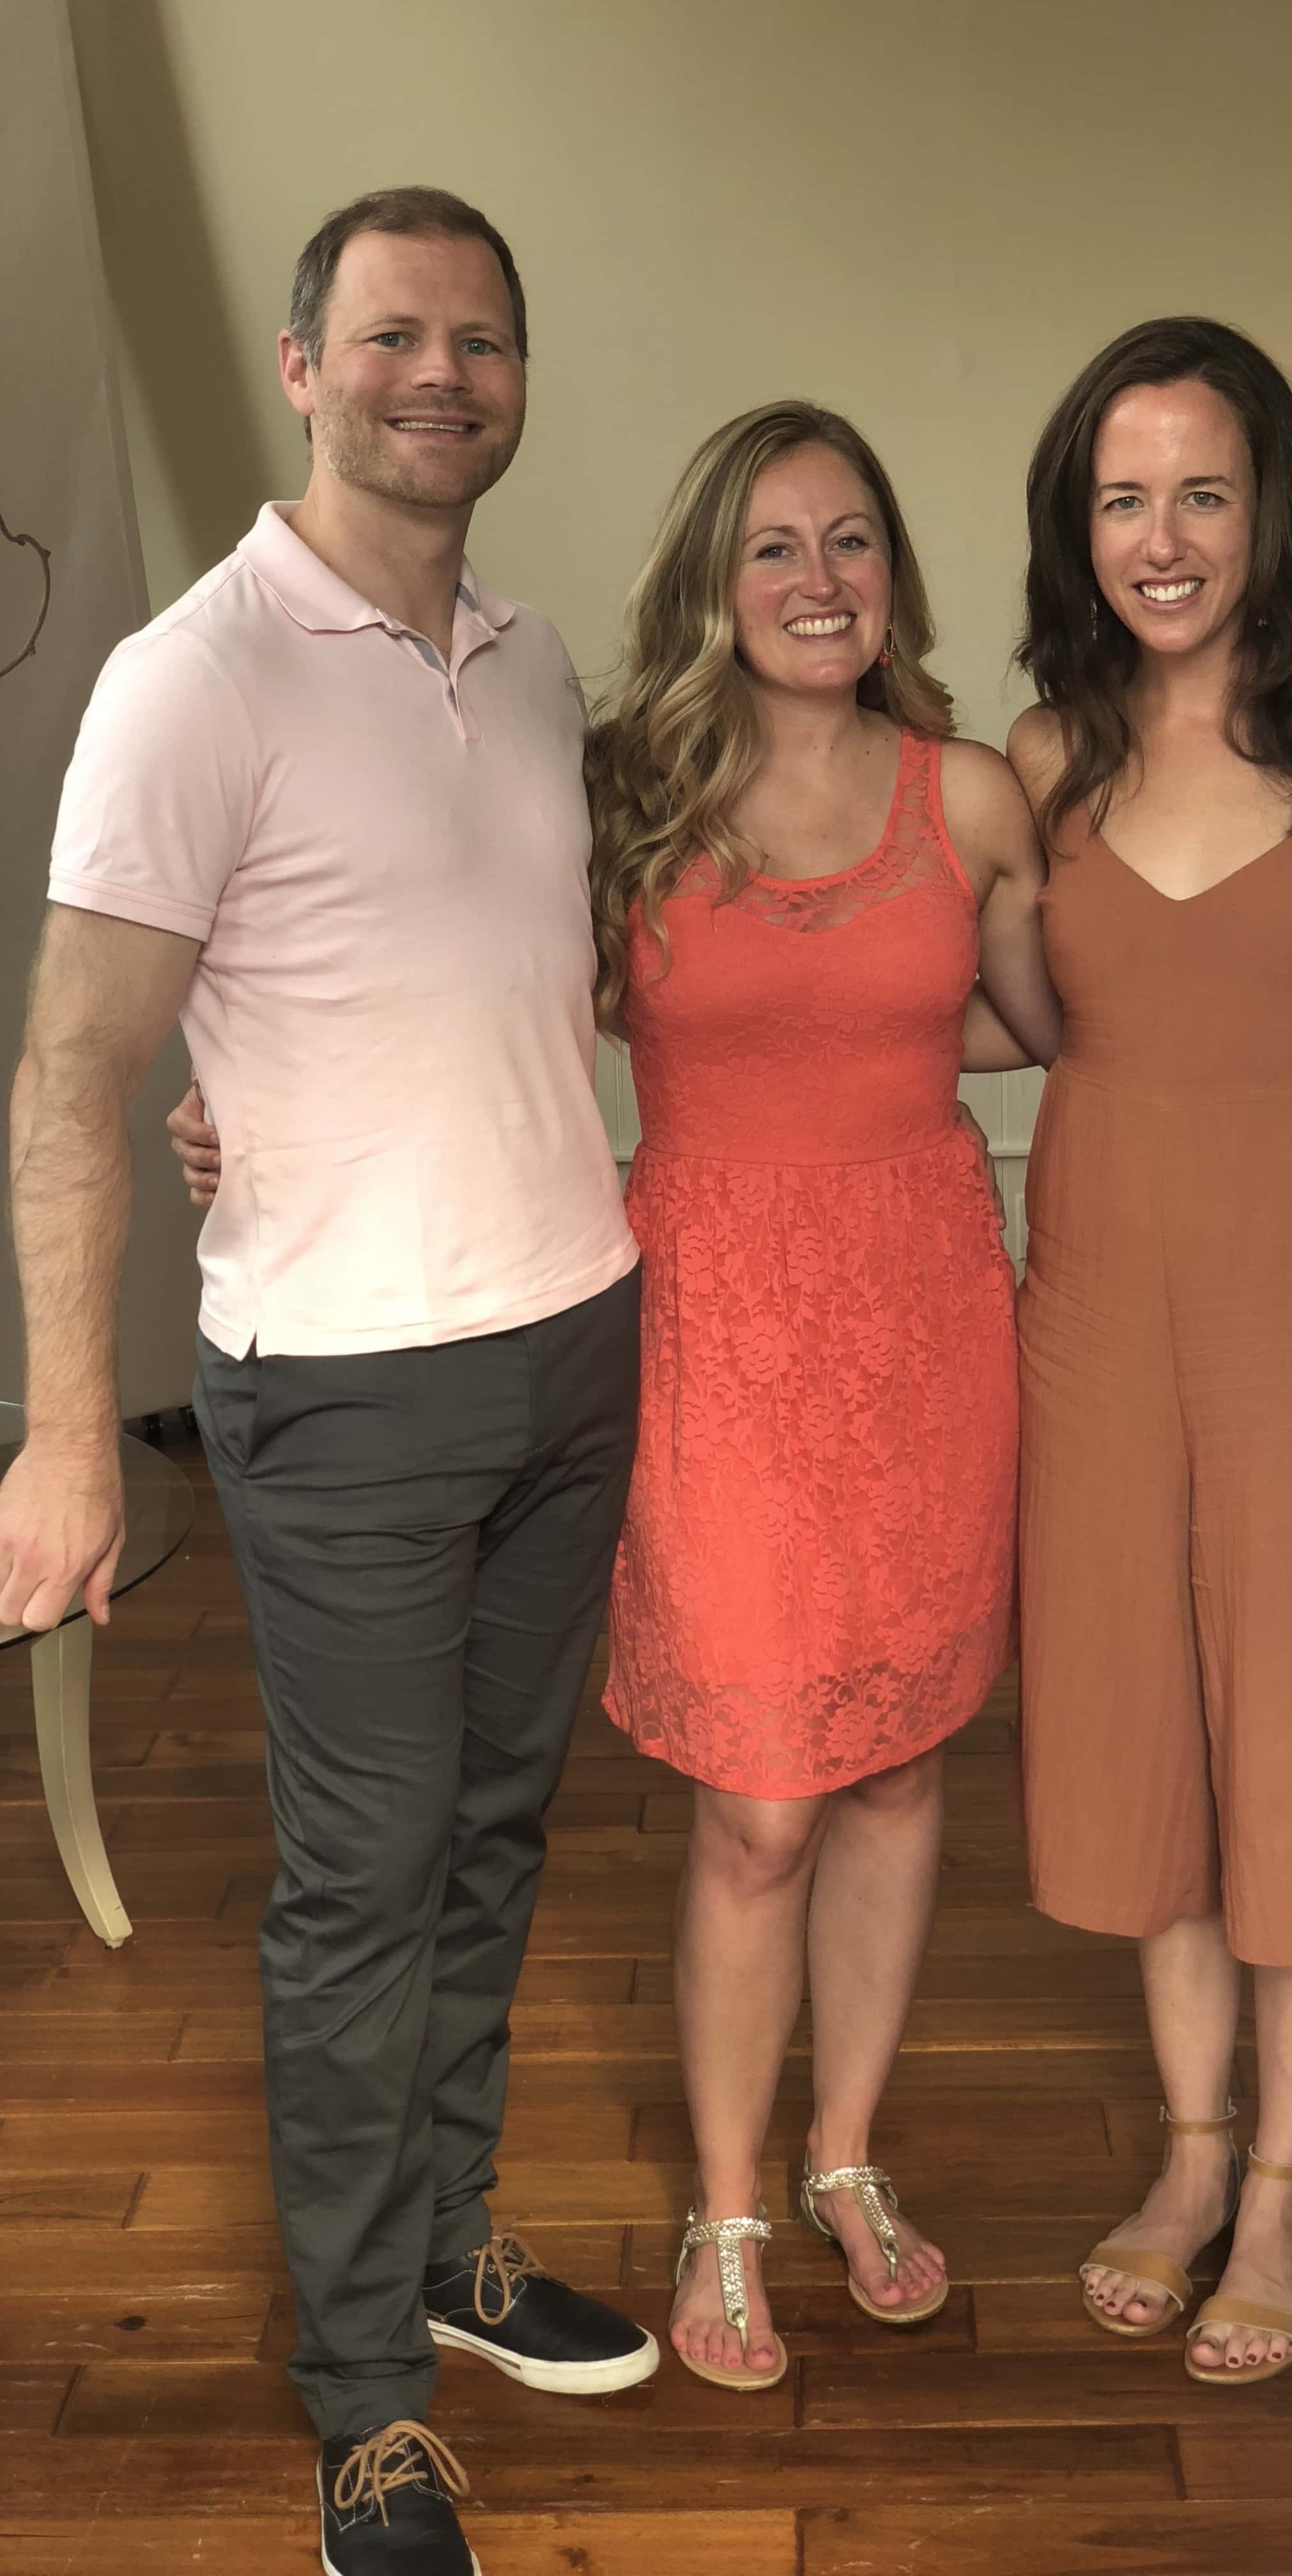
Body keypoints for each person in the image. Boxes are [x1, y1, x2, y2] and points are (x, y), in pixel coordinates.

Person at [6, 188, 661, 2576]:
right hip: (347, 1396)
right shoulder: (192, 677)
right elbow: (72, 1070)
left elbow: (446, 982)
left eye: (480, 340)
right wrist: (67, 1435)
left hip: (571, 1338)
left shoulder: (533, 657)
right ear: (306, 367)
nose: (439, 376)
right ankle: (367, 2401)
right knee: (362, 1893)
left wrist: (259, 1088)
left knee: (494, 1842)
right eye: (392, 336)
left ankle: (448, 2242)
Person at [581, 404, 1059, 2389]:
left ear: (894, 576)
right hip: (713, 1328)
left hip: (924, 1321)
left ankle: (844, 2154)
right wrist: (246, 1113)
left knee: (898, 1770)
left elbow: (1060, 1021)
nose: (817, 579)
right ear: (714, 577)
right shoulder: (621, 797)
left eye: (851, 540)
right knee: (762, 1805)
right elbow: (485, 1017)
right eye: (775, 545)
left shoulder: (969, 795)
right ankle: (727, 2206)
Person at [1008, 317, 1292, 2383]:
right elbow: (946, 1004)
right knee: (1146, 1720)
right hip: (1102, 1294)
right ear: (1077, 526)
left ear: (1275, 507)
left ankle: (1289, 2181)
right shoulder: (1044, 759)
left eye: (1204, 491)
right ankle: (1193, 2154)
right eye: (1124, 499)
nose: (1164, 537)